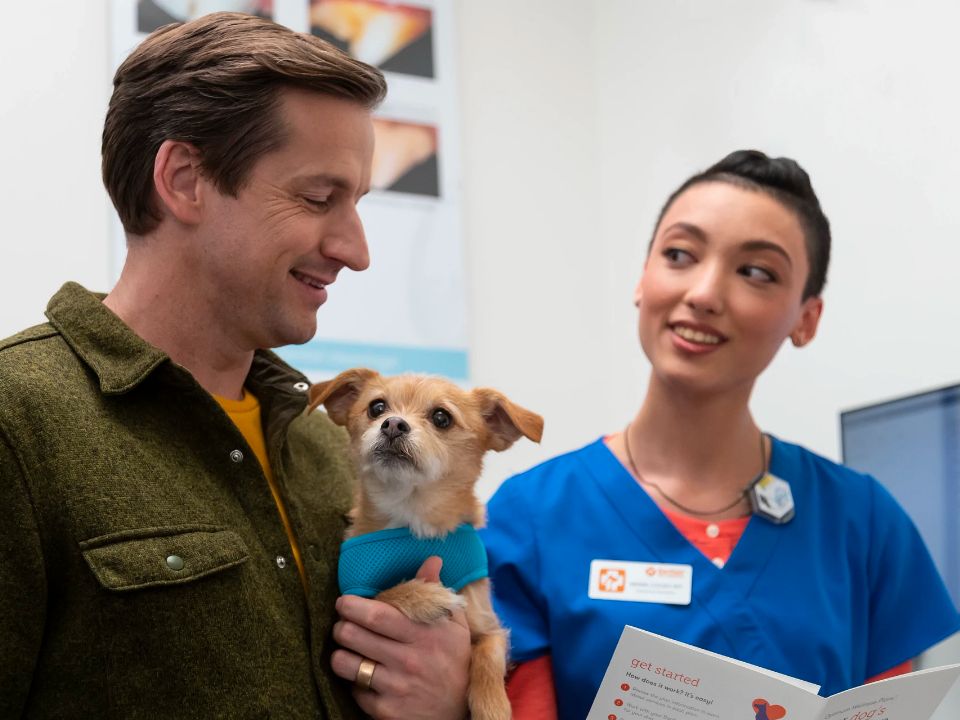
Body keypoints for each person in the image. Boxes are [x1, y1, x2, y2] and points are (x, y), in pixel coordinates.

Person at [0, 12, 470, 719]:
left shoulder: (332, 446)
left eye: (359, 204)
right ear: (185, 179)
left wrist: (448, 699)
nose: (356, 248)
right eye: (319, 198)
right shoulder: (18, 422)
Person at [480, 150, 960, 720]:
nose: (705, 293)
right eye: (680, 255)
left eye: (756, 272)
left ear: (806, 319)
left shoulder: (864, 521)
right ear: (642, 278)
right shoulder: (529, 517)